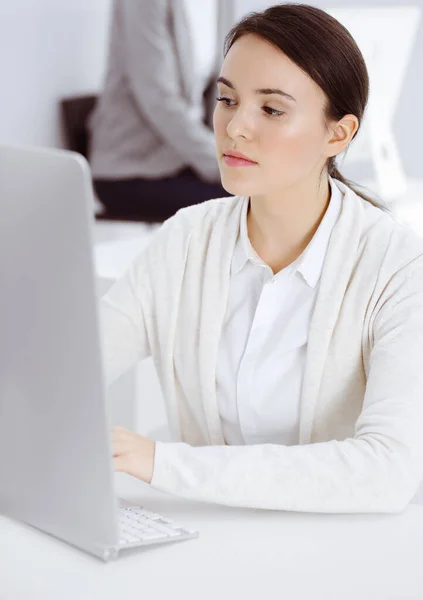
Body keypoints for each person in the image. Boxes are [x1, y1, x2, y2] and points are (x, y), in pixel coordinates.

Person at [103, 4, 423, 513]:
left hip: (342, 556)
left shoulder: (397, 265)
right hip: (210, 538)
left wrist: (162, 462)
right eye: (227, 99)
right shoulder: (186, 239)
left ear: (337, 134)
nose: (235, 128)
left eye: (271, 109)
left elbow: (388, 470)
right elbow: (77, 363)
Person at [88, 0, 233, 221]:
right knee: (244, 202)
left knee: (265, 192)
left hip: (182, 160)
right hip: (132, 170)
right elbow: (159, 102)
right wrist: (219, 160)